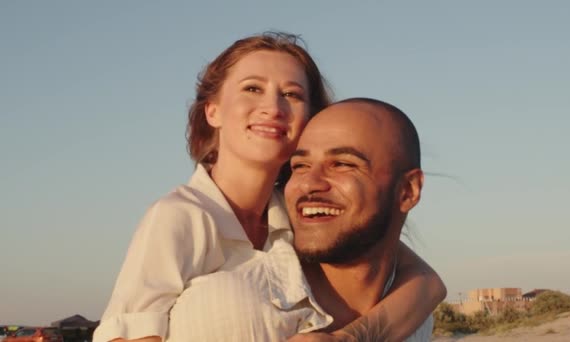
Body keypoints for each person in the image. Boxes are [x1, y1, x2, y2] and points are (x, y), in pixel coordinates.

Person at [93, 32, 445, 342]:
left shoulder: (301, 209)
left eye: (291, 94)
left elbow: (427, 284)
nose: (272, 107)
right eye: (252, 89)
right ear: (212, 112)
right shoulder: (182, 215)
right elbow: (128, 333)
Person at [286, 98, 433, 341]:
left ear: (408, 190)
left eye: (342, 164)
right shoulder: (241, 305)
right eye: (300, 165)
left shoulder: (416, 323)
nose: (309, 183)